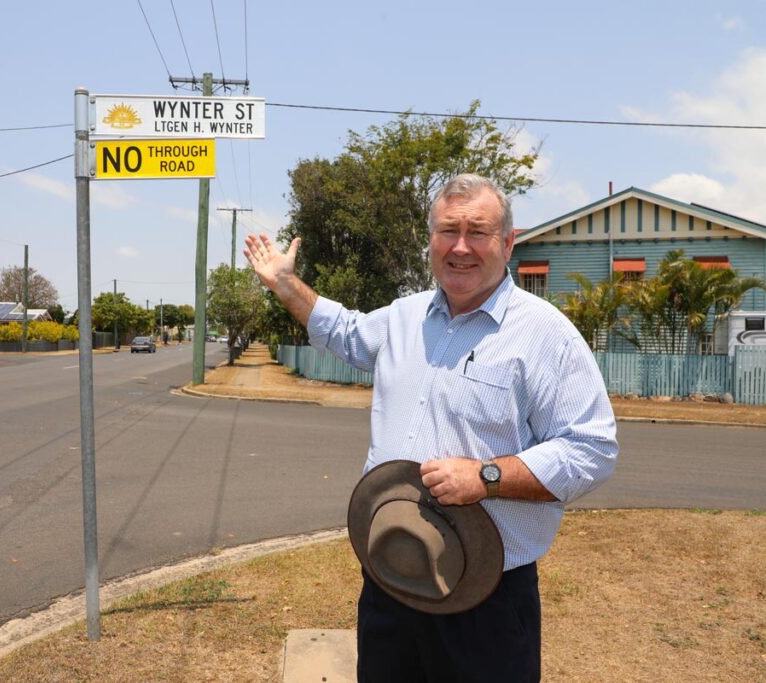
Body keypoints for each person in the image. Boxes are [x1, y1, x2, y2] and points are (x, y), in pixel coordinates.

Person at [244, 173, 618, 682]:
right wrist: (286, 285)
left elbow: (592, 450)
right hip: (391, 576)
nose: (460, 247)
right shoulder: (405, 316)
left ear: (508, 243)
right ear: (430, 241)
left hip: (486, 602)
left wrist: (485, 476)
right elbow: (346, 332)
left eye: (478, 231)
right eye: (447, 231)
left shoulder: (544, 335)